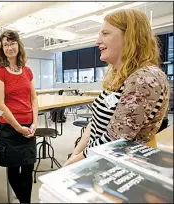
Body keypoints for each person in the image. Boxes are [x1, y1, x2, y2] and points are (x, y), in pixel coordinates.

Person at [65, 9, 170, 166]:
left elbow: (114, 140)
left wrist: (74, 162)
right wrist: (76, 152)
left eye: (105, 34)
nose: (97, 41)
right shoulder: (121, 75)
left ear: (130, 36)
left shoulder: (144, 79)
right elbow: (94, 122)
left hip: (115, 167)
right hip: (94, 158)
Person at [0, 30, 38, 203]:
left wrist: (35, 122)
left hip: (28, 126)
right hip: (10, 129)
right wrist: (18, 128)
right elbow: (0, 105)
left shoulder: (27, 71)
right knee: (13, 170)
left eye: (12, 43)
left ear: (19, 45)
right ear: (2, 49)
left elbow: (33, 98)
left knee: (28, 168)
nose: (9, 47)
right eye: (6, 44)